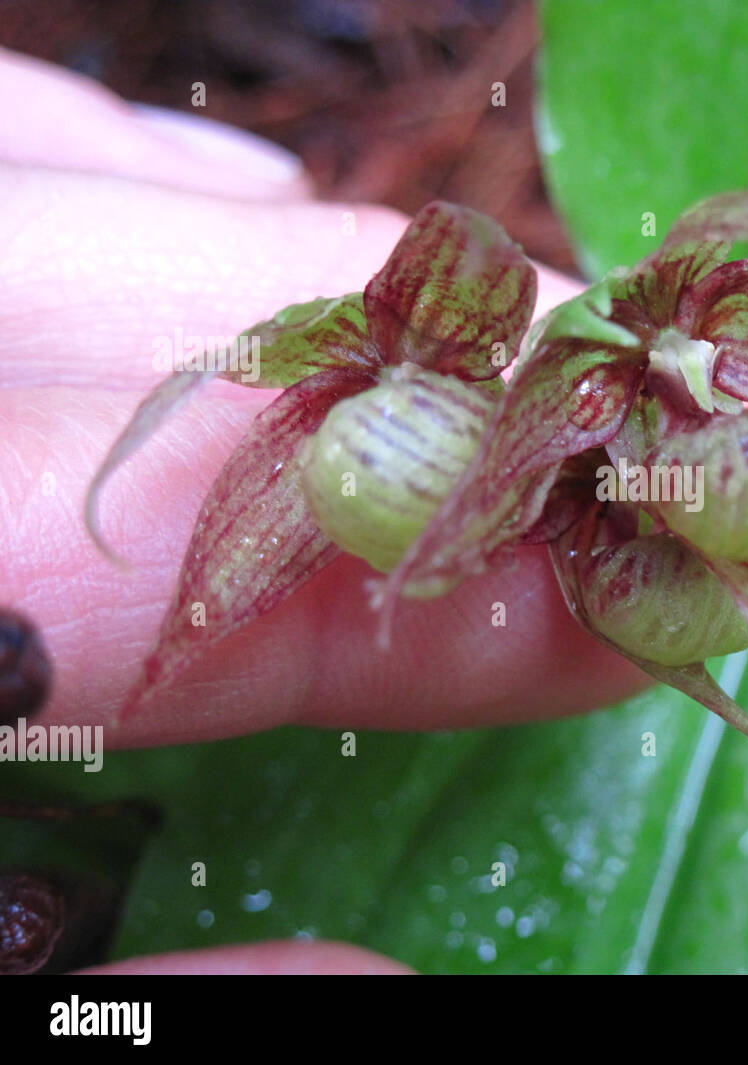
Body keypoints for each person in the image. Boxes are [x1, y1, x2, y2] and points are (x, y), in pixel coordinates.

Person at [0, 47, 647, 974]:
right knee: (194, 605)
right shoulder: (320, 386)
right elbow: (211, 370)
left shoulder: (504, 409)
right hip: (355, 428)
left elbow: (553, 432)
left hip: (484, 454)